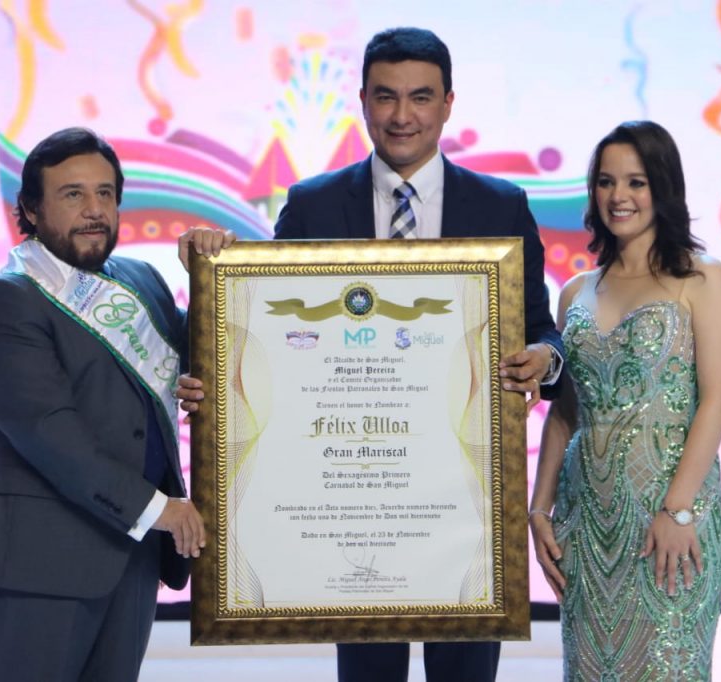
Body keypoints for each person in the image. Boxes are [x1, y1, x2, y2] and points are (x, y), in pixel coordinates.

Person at [180, 26, 564, 682]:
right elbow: (262, 324)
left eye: (421, 97)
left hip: (462, 494)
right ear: (362, 101)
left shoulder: (500, 205)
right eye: (385, 96)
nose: (401, 115)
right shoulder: (313, 203)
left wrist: (542, 360)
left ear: (448, 103)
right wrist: (211, 324)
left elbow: (541, 329)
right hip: (347, 492)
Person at [0, 127, 215, 682]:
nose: (94, 210)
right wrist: (161, 510)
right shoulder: (7, 298)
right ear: (31, 208)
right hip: (42, 557)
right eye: (73, 194)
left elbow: (196, 357)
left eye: (105, 193)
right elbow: (51, 434)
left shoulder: (140, 278)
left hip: (135, 551)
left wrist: (211, 278)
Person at [528, 120, 721, 680]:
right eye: (605, 181)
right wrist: (539, 509)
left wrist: (677, 510)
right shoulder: (576, 291)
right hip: (585, 522)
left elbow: (718, 401)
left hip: (670, 522)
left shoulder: (702, 279)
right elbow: (564, 412)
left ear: (662, 188)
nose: (618, 196)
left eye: (636, 182)